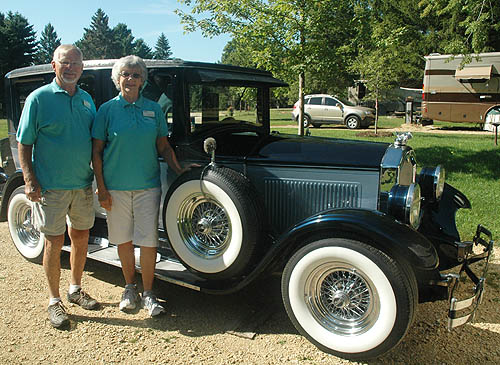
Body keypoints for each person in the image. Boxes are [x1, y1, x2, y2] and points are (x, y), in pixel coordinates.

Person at [92, 55, 195, 317]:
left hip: (148, 187)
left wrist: (179, 169)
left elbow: (163, 145)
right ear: (117, 79)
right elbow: (97, 152)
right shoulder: (106, 110)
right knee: (123, 240)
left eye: (136, 75)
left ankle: (149, 293)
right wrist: (101, 188)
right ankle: (129, 288)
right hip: (115, 188)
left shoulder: (153, 109)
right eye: (126, 74)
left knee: (148, 242)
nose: (131, 79)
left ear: (142, 80)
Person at [16, 44, 99, 329]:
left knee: (81, 237)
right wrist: (29, 180)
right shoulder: (38, 99)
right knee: (53, 241)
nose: (71, 67)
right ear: (54, 65)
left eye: (76, 63)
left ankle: (75, 289)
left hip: (82, 184)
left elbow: (94, 143)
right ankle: (54, 302)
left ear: (82, 68)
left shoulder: (88, 100)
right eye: (65, 63)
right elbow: (24, 143)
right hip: (50, 187)